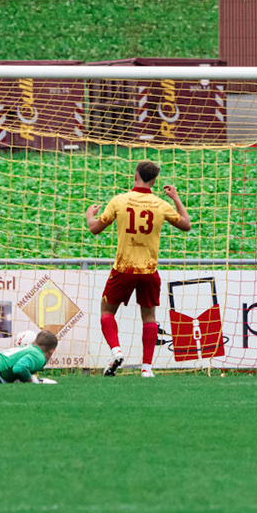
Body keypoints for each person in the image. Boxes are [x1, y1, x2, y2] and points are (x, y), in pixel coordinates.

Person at [86, 159, 192, 378]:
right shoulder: (160, 205)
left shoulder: (119, 201)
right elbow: (186, 224)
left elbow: (95, 229)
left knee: (107, 311)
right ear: (154, 181)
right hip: (148, 271)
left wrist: (90, 215)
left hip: (123, 268)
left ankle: (116, 351)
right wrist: (175, 198)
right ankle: (146, 368)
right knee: (149, 317)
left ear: (135, 176)